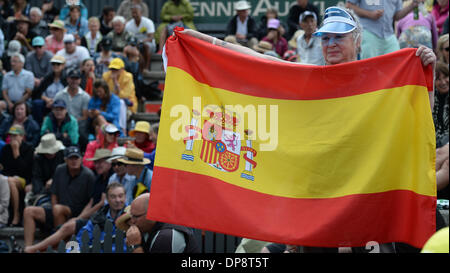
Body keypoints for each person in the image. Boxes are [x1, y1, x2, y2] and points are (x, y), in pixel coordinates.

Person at [180, 6, 437, 251]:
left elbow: (419, 124)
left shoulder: (383, 81)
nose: (331, 44)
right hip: (315, 204)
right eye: (325, 38)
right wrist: (206, 42)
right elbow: (256, 60)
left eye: (339, 37)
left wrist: (429, 76)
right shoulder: (309, 79)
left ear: (357, 41)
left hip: (365, 201)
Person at [22, 146, 95, 248]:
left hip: (77, 212)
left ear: (81, 159)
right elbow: (54, 193)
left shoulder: (88, 175)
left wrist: (78, 218)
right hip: (58, 209)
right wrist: (53, 209)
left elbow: (91, 202)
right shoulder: (60, 169)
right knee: (28, 211)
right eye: (71, 158)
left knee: (58, 209)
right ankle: (27, 246)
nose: (74, 161)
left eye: (76, 158)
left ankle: (58, 247)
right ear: (65, 159)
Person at [117, 193, 200, 253]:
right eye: (131, 216)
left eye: (136, 216)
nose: (132, 221)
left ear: (152, 214)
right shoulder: (147, 230)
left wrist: (135, 247)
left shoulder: (166, 236)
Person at [346, 0, 424, 59]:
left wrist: (412, 5)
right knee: (369, 68)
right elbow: (349, 5)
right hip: (368, 31)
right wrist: (370, 14)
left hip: (389, 35)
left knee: (396, 65)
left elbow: (396, 16)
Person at [75, 182, 127, 252]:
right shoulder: (98, 217)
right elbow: (81, 239)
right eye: (113, 197)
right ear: (107, 199)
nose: (117, 200)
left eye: (120, 196)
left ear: (125, 197)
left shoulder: (131, 217)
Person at [0, 124, 34, 226]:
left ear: (21, 136)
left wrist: (16, 153)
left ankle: (16, 214)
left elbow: (26, 170)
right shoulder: (6, 149)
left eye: (15, 136)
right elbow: (5, 169)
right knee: (7, 180)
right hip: (9, 178)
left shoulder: (29, 148)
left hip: (24, 179)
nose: (12, 138)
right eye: (11, 136)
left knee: (10, 181)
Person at [53, 67, 90, 151]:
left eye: (76, 78)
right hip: (60, 123)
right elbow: (54, 111)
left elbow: (85, 116)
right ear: (67, 79)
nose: (74, 81)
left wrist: (72, 123)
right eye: (72, 78)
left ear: (80, 80)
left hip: (78, 124)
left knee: (81, 134)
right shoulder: (59, 95)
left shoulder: (85, 96)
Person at [31, 55, 67, 125]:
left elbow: (67, 93)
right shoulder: (48, 77)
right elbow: (38, 92)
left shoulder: (66, 79)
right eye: (53, 64)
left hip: (62, 102)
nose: (55, 66)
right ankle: (39, 125)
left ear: (63, 65)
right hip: (47, 102)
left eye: (58, 64)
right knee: (37, 103)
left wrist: (54, 102)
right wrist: (47, 99)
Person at [28, 133, 65, 202]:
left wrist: (54, 180)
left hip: (60, 184)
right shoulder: (38, 158)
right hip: (43, 185)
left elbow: (65, 172)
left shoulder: (62, 155)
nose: (49, 154)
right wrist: (39, 192)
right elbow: (36, 176)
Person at [432, 61, 449, 147]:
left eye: (446, 77)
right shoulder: (432, 99)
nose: (443, 82)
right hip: (435, 143)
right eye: (438, 79)